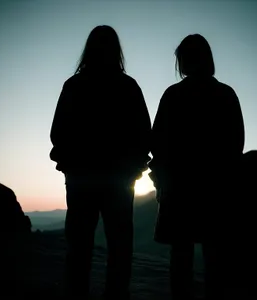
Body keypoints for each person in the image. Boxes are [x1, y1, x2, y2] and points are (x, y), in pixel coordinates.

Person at [49, 25, 151, 299]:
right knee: (120, 246)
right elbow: (144, 134)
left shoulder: (74, 86)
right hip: (119, 180)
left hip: (81, 178)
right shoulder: (128, 86)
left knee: (79, 246)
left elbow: (57, 133)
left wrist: (68, 162)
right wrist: (134, 166)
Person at [148, 33, 245, 300]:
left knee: (181, 256)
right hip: (217, 188)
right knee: (216, 257)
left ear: (183, 62)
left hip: (179, 189)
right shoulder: (225, 94)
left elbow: (156, 141)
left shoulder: (173, 95)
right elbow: (236, 143)